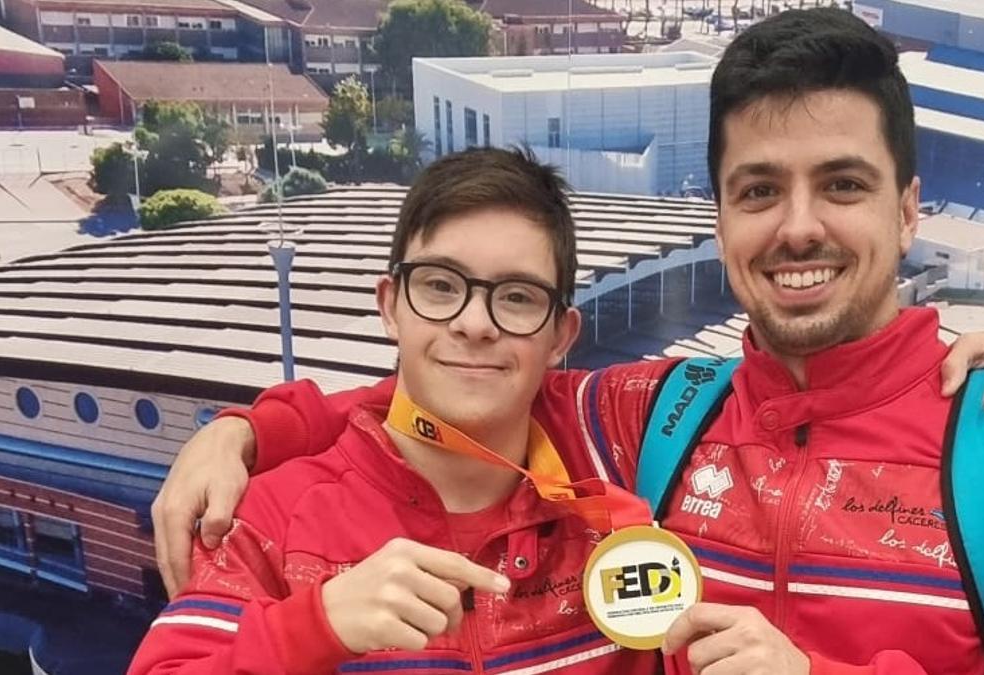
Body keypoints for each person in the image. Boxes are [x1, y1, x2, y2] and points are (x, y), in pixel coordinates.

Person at [148, 9, 984, 674]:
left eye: (843, 184)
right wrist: (248, 430)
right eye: (759, 190)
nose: (799, 226)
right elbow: (464, 390)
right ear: (720, 221)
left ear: (910, 209)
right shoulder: (653, 415)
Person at [129, 148, 661, 673]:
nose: (474, 323)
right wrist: (317, 628)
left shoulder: (621, 442)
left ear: (559, 336)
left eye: (517, 297)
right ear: (390, 307)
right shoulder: (273, 520)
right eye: (440, 285)